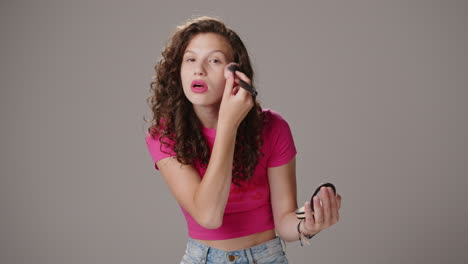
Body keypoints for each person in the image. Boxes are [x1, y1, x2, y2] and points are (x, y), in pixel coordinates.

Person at [144, 16, 342, 264]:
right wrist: (229, 124)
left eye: (214, 60)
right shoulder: (164, 135)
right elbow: (208, 216)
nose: (199, 69)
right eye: (190, 59)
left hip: (268, 256)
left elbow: (285, 223)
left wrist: (309, 224)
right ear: (178, 71)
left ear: (236, 73)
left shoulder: (273, 127)